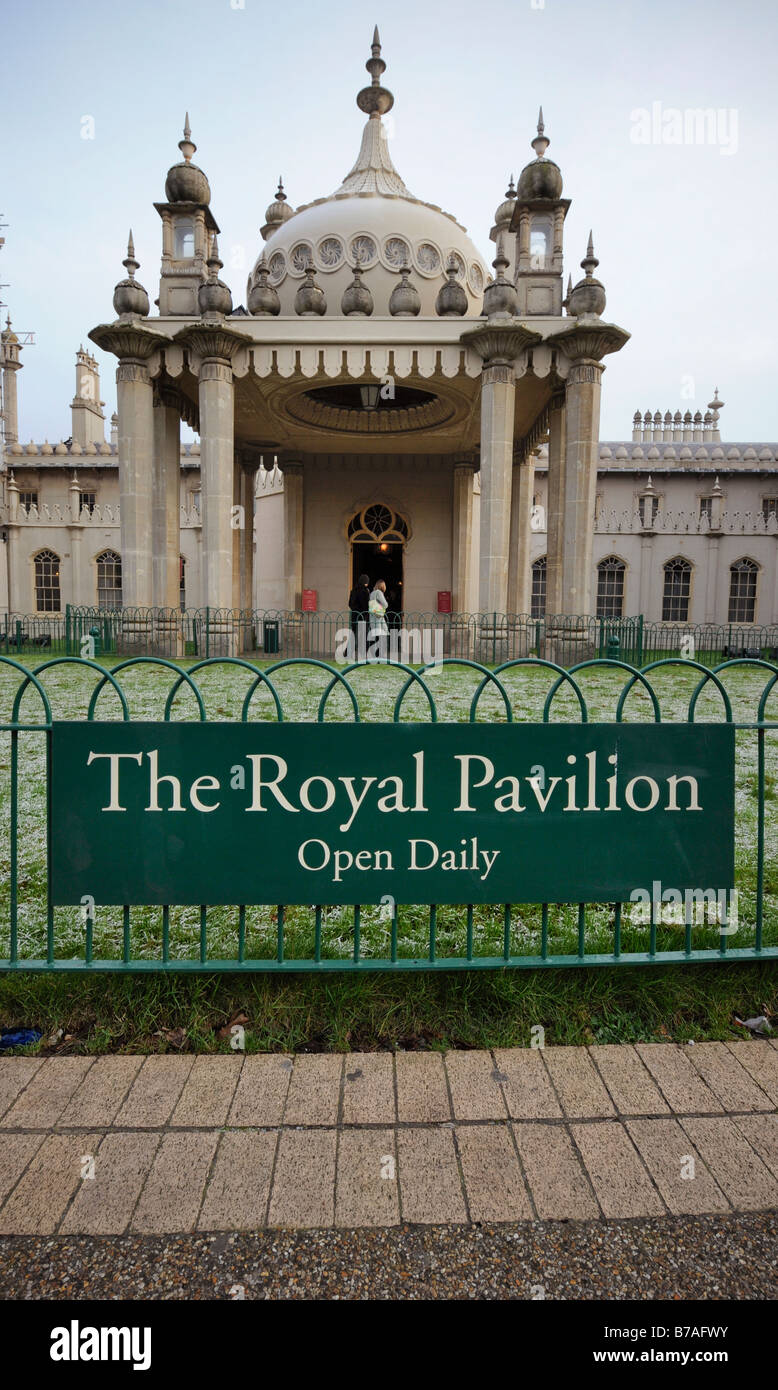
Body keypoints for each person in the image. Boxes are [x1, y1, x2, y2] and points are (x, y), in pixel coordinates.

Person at [349, 573, 370, 655]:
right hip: (362, 616)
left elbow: (350, 603)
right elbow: (365, 605)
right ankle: (363, 653)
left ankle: (348, 653)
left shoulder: (353, 590)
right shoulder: (365, 591)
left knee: (353, 634)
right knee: (363, 635)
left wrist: (355, 609)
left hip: (354, 615)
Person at [368, 578, 389, 650]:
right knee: (381, 638)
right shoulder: (379, 593)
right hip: (379, 619)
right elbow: (385, 604)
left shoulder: (372, 593)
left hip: (373, 618)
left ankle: (373, 655)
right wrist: (383, 607)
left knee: (376, 638)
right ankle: (379, 657)